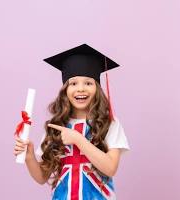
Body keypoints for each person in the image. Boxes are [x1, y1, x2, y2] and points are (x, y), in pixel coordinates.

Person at [13, 44, 130, 200]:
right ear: (65, 90)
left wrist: (77, 139)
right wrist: (29, 157)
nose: (80, 89)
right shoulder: (56, 127)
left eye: (88, 83)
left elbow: (110, 168)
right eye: (73, 83)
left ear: (97, 88)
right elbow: (41, 177)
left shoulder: (109, 123)